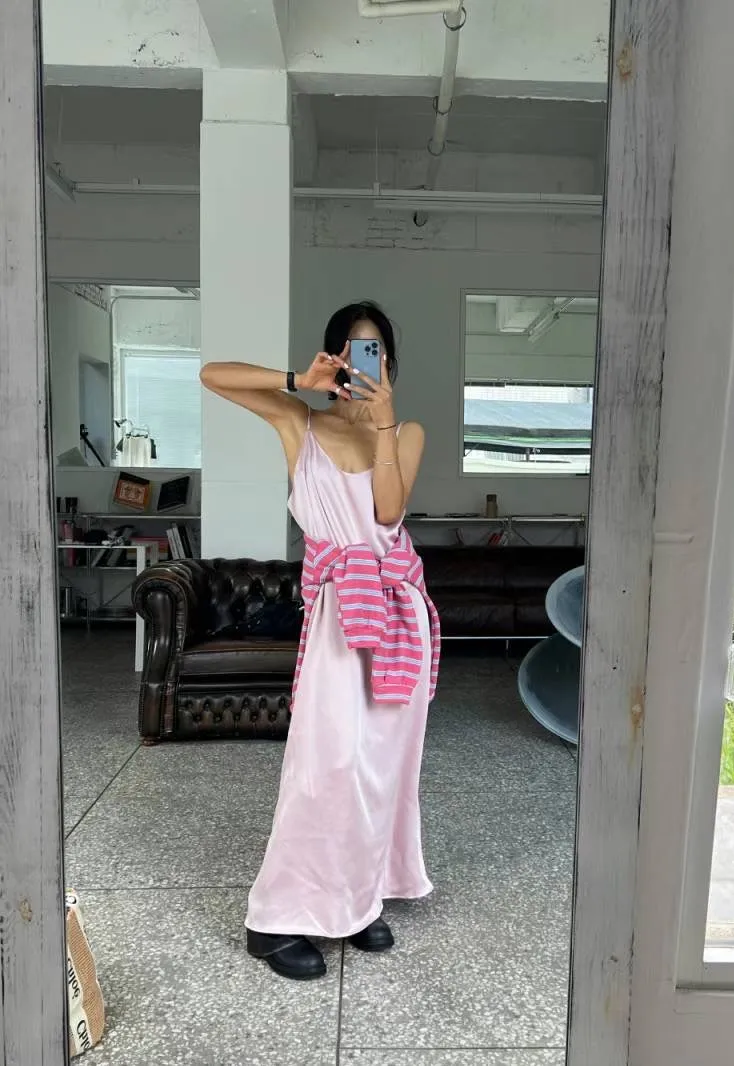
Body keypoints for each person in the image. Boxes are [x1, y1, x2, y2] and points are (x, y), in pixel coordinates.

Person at [200, 301, 440, 980]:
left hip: (396, 614)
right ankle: (274, 921)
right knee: (327, 766)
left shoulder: (406, 432)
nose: (367, 362)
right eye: (354, 349)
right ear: (334, 357)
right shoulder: (299, 422)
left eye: (377, 350)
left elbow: (387, 512)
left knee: (383, 770)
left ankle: (358, 900)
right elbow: (212, 375)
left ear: (390, 362)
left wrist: (383, 420)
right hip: (340, 613)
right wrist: (296, 380)